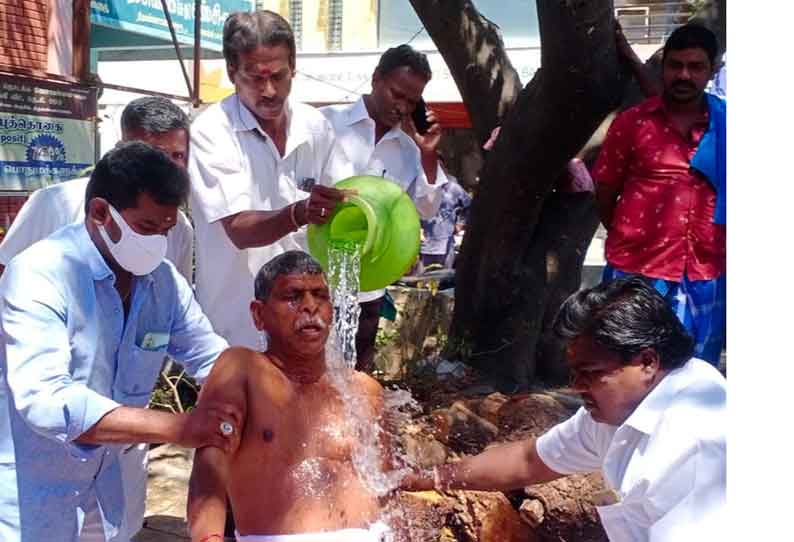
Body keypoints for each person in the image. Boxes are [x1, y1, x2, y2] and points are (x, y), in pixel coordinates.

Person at [0, 142, 241, 542]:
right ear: (100, 213)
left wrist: (268, 395)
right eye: (146, 228)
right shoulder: (40, 275)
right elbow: (45, 401)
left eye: (166, 230)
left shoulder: (162, 282)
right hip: (30, 502)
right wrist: (180, 428)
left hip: (107, 496)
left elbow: (210, 356)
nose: (157, 244)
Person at [400, 276, 726, 540]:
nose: (577, 385)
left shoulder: (691, 446)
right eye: (575, 373)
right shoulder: (622, 408)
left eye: (591, 373)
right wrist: (421, 479)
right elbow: (528, 460)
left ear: (646, 362)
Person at [187, 251, 390, 542]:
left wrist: (450, 475)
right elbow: (209, 468)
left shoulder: (364, 390)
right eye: (292, 296)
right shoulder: (242, 370)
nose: (310, 307)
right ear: (258, 314)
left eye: (320, 295)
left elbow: (388, 483)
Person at [188, 10, 348, 350]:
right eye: (255, 78)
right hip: (236, 328)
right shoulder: (211, 132)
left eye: (279, 76)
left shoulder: (315, 126)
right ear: (232, 72)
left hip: (306, 327)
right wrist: (299, 213)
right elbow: (239, 228)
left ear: (294, 68)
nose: (270, 90)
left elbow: (343, 207)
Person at [593, 24, 726, 366]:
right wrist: (630, 235)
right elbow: (605, 190)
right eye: (675, 65)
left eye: (695, 67)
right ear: (664, 67)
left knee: (696, 377)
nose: (684, 75)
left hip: (706, 272)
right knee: (629, 372)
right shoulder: (632, 124)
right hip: (637, 270)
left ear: (713, 70)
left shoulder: (729, 125)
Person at [320, 44, 448, 372]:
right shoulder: (326, 124)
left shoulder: (408, 149)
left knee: (356, 376)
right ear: (376, 79)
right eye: (397, 94)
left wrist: (429, 156)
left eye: (412, 100)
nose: (403, 107)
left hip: (368, 281)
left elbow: (428, 209)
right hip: (317, 273)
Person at [0, 95, 194, 281]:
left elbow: (177, 300)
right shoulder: (53, 203)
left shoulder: (178, 227)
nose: (166, 166)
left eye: (177, 156)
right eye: (156, 154)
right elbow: (7, 269)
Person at [418, 158, 471, 272]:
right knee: (422, 283)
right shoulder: (420, 189)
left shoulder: (453, 188)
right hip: (424, 246)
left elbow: (469, 206)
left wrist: (460, 223)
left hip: (446, 244)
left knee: (443, 281)